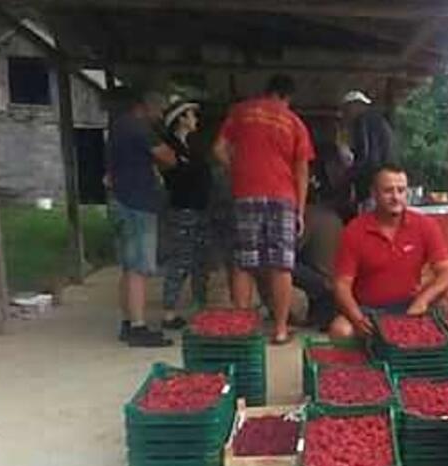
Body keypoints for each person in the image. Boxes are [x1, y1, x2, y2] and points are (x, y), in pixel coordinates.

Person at [214, 75, 315, 345]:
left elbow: (219, 149)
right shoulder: (294, 122)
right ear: (287, 97)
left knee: (244, 263)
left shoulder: (240, 112)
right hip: (282, 197)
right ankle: (280, 329)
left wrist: (237, 170)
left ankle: (242, 330)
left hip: (246, 194)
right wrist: (300, 211)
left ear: (267, 91)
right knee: (281, 265)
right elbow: (302, 171)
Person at [329, 164, 448, 339]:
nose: (396, 197)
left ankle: (439, 347)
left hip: (410, 305)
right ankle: (362, 354)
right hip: (369, 310)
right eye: (388, 191)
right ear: (374, 193)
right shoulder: (354, 230)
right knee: (340, 330)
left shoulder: (425, 225)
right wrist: (357, 318)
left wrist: (422, 300)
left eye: (401, 190)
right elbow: (341, 285)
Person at [106, 89, 176, 347]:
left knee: (128, 266)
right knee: (139, 268)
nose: (160, 116)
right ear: (147, 107)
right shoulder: (140, 128)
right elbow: (168, 157)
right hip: (137, 203)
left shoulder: (119, 126)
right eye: (159, 111)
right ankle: (138, 326)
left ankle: (127, 322)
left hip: (119, 199)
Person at [160, 99, 212, 330]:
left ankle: (200, 306)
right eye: (192, 115)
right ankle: (169, 312)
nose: (196, 120)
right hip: (182, 209)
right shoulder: (170, 147)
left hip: (200, 209)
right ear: (181, 119)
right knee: (180, 260)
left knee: (200, 262)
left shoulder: (193, 146)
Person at [340, 90, 394, 214]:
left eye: (347, 110)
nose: (346, 114)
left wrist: (349, 176)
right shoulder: (380, 121)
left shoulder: (363, 121)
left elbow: (366, 155)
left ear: (355, 106)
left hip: (371, 182)